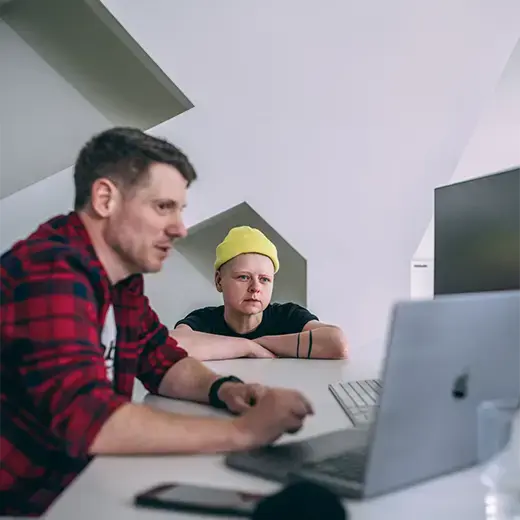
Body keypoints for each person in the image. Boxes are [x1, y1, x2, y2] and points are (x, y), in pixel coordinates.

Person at [0, 127, 314, 517]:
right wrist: (242, 433)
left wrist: (227, 390)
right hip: (28, 503)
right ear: (105, 199)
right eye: (164, 207)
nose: (180, 228)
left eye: (180, 210)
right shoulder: (52, 273)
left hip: (82, 482)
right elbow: (92, 422)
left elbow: (160, 359)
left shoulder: (121, 278)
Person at [171, 226, 348, 360]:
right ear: (219, 281)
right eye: (243, 277)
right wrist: (246, 347)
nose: (255, 287)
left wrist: (261, 343)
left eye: (264, 279)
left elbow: (337, 343)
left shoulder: (288, 316)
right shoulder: (204, 320)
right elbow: (169, 345)